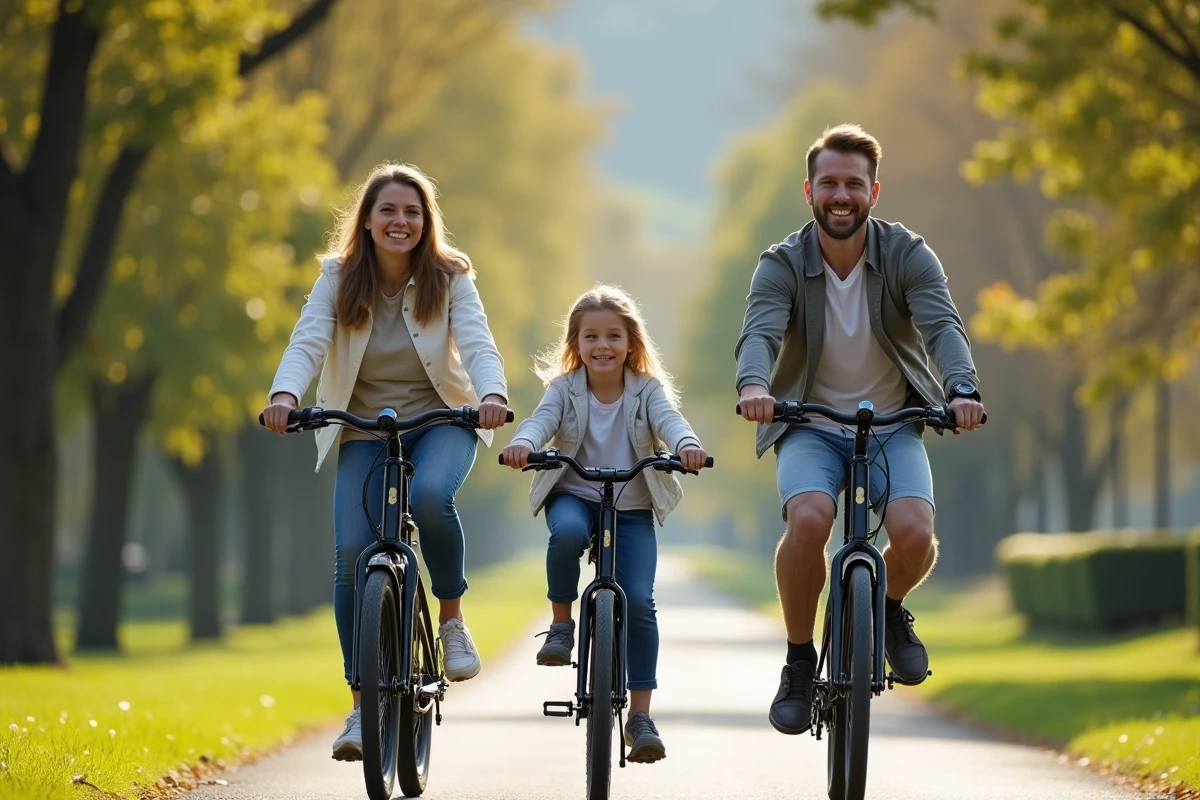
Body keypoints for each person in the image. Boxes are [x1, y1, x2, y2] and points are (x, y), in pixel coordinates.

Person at [733, 124, 986, 735]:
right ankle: (799, 660)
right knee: (811, 520)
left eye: (853, 184)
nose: (840, 195)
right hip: (808, 426)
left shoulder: (907, 255)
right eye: (829, 184)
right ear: (809, 191)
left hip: (893, 423)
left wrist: (962, 388)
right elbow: (761, 331)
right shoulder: (782, 264)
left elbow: (942, 327)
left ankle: (890, 607)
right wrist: (753, 386)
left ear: (874, 191)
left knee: (914, 533)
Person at [261, 162, 510, 761]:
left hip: (442, 420)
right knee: (352, 554)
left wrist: (493, 394)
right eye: (389, 211)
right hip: (363, 428)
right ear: (368, 221)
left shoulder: (450, 277)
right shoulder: (339, 276)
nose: (401, 221)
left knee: (428, 498)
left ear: (426, 223)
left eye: (412, 212)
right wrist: (285, 395)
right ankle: (359, 708)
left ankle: (450, 618)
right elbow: (309, 339)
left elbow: (475, 341)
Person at [501, 285, 708, 764]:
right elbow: (540, 422)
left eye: (613, 336)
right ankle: (560, 626)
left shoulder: (647, 389)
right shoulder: (564, 388)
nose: (602, 346)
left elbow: (670, 421)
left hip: (632, 504)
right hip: (575, 495)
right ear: (575, 344)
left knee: (639, 601)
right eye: (591, 336)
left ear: (631, 343)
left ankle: (640, 716)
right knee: (567, 534)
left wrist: (687, 445)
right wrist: (522, 445)